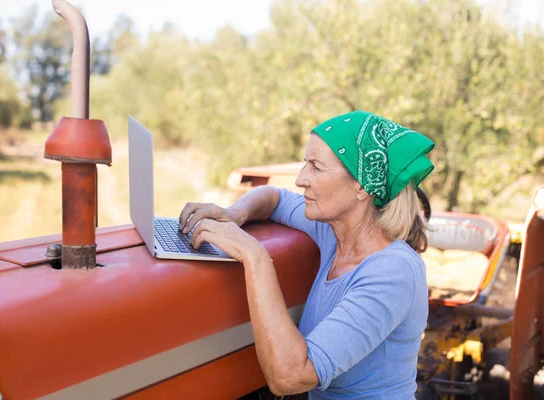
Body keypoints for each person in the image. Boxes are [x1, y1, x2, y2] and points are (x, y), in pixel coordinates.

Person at [178, 110, 434, 399]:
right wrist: (234, 213)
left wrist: (254, 256)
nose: (301, 180)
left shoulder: (393, 272)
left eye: (316, 167)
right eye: (305, 164)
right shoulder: (335, 232)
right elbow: (275, 197)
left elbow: (290, 377)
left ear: (361, 186)